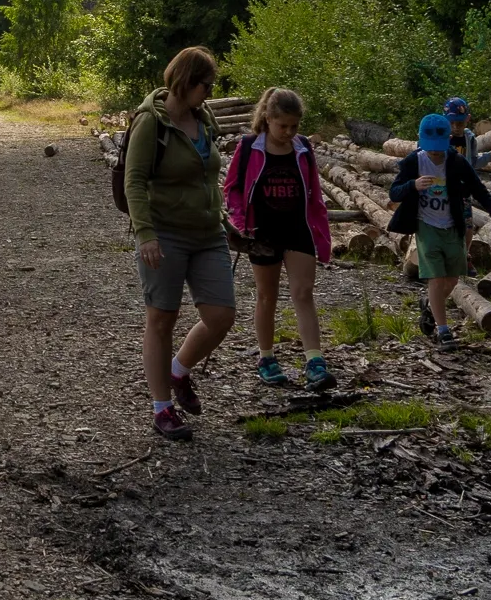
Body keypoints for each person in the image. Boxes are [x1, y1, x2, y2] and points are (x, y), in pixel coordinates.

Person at [125, 46, 235, 441]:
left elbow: (207, 177)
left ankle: (178, 370)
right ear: (187, 81)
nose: (210, 92)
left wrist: (225, 218)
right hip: (165, 233)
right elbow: (134, 181)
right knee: (162, 319)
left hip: (208, 234)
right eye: (206, 85)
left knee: (221, 315)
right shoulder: (150, 122)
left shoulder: (204, 118)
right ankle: (161, 408)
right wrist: (145, 234)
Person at [222, 87, 336, 390]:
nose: (288, 132)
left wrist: (322, 231)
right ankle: (267, 357)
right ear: (267, 119)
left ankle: (315, 361)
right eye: (282, 125)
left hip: (298, 228)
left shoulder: (302, 148)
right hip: (262, 232)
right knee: (266, 295)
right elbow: (231, 187)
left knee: (303, 292)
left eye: (294, 126)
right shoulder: (248, 147)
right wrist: (239, 220)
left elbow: (314, 191)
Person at [388, 113, 491, 346]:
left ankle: (430, 306)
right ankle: (443, 330)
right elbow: (394, 192)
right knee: (437, 279)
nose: (435, 153)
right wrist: (413, 185)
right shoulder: (414, 162)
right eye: (431, 149)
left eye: (439, 149)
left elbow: (479, 189)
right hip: (426, 226)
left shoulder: (456, 162)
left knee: (451, 280)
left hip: (453, 226)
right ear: (420, 142)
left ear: (448, 140)